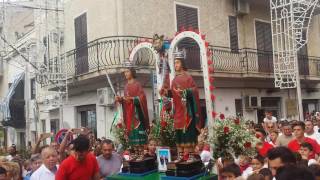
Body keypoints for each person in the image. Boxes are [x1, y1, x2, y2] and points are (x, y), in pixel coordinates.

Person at [161, 51, 204, 161]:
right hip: (178, 111)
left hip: (187, 110)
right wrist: (166, 92)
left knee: (188, 133)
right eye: (175, 63)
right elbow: (173, 93)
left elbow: (194, 91)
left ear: (182, 64)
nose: (176, 65)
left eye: (178, 62)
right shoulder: (175, 79)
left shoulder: (188, 77)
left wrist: (185, 92)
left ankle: (190, 156)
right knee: (179, 133)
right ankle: (180, 155)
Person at [115, 63, 149, 159]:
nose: (125, 73)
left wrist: (133, 99)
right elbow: (126, 100)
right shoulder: (126, 86)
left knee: (138, 132)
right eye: (125, 72)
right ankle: (135, 153)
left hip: (136, 114)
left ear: (132, 72)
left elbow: (142, 98)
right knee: (132, 135)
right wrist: (121, 99)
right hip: (129, 114)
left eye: (127, 71)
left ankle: (141, 154)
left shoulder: (137, 84)